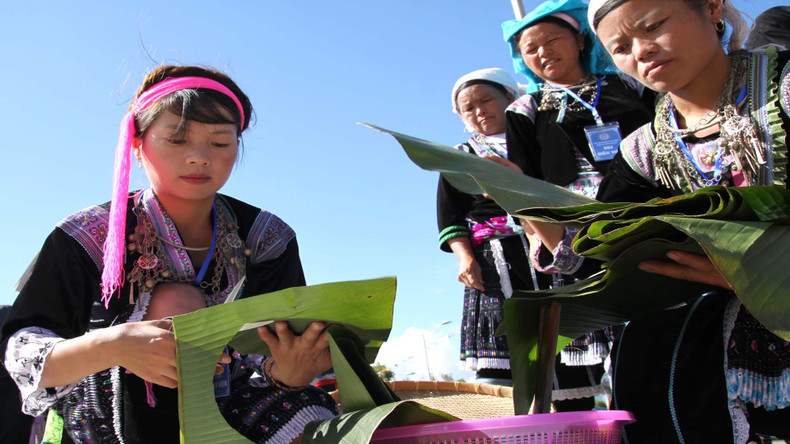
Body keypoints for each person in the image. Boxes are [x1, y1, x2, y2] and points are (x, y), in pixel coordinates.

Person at [0, 65, 338, 444]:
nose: (199, 157)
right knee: (175, 304)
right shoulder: (84, 236)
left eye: (220, 142)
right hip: (109, 409)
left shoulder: (266, 237)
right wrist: (115, 344)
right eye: (176, 140)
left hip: (235, 400)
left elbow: (278, 349)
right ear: (137, 145)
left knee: (315, 418)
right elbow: (24, 352)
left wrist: (291, 370)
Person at [585, 0, 790, 441]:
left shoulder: (784, 88)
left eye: (653, 26)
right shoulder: (643, 151)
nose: (640, 52)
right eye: (619, 47)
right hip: (717, 351)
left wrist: (761, 270)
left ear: (712, 7)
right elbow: (603, 241)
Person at [500, 0, 656, 411]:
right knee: (588, 350)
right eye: (530, 49)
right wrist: (544, 240)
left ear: (581, 40)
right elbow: (524, 184)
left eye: (552, 40)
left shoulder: (630, 85)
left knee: (655, 330)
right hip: (574, 229)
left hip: (644, 214)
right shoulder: (524, 110)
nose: (542, 52)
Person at [439, 67, 550, 385]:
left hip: (549, 247)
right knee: (501, 361)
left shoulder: (539, 142)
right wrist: (466, 258)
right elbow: (451, 217)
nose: (479, 111)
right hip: (494, 261)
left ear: (510, 98)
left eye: (486, 100)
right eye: (468, 108)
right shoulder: (458, 158)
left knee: (561, 344)